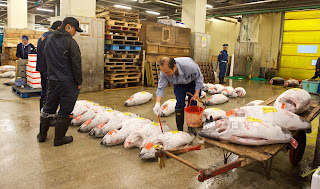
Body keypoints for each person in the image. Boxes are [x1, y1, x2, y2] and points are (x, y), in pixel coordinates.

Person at [37, 17, 83, 146]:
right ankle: (59, 138)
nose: (75, 33)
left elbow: (44, 59)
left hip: (52, 80)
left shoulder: (49, 39)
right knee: (65, 110)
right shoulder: (70, 42)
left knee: (48, 108)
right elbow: (76, 64)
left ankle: (42, 135)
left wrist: (48, 75)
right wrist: (79, 81)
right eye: (75, 30)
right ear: (68, 27)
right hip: (68, 82)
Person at [153, 57, 203, 135]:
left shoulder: (189, 66)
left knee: (192, 104)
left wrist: (197, 93)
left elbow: (199, 78)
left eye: (167, 72)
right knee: (179, 103)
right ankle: (180, 129)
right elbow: (161, 87)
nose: (165, 74)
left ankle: (191, 127)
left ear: (174, 67)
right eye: (164, 72)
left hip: (192, 83)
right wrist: (157, 103)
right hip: (179, 84)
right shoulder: (164, 73)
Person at [36, 20, 62, 111]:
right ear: (58, 27)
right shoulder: (51, 37)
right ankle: (47, 114)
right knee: (49, 91)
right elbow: (50, 54)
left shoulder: (43, 35)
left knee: (44, 89)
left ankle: (42, 110)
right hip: (47, 68)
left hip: (41, 67)